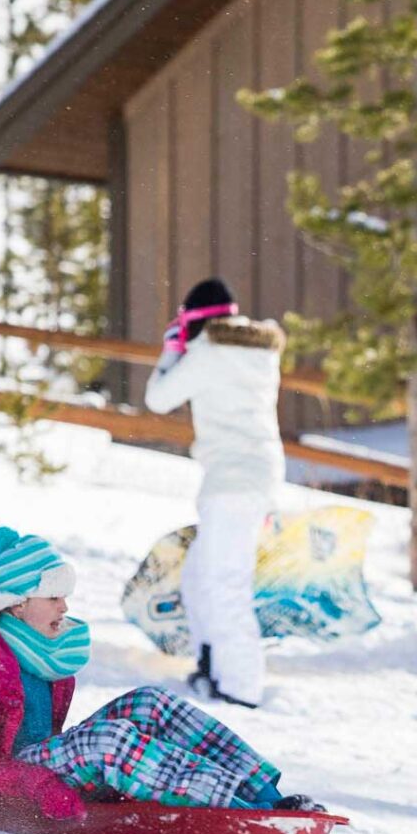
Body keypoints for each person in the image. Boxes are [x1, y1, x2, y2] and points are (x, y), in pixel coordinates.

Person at [0, 527, 318, 820]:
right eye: (53, 597)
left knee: (149, 703)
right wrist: (44, 786)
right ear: (18, 603)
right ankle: (235, 810)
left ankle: (263, 796)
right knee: (105, 743)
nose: (64, 607)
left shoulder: (43, 653)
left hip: (24, 771)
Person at [143, 276, 286, 708]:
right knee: (200, 576)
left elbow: (158, 399)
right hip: (254, 477)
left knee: (224, 584)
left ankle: (241, 688)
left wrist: (172, 351)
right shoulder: (261, 350)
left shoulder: (207, 353)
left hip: (230, 483)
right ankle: (213, 665)